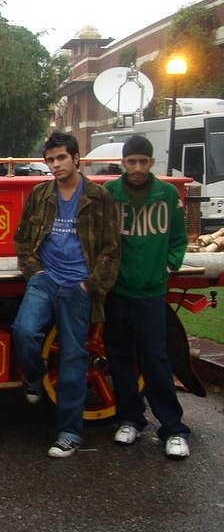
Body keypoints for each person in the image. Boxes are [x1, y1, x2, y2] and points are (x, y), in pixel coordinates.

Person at [11, 131, 119, 458]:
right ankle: (34, 378)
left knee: (74, 357)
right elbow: (23, 239)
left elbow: (112, 249)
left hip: (78, 285)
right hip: (45, 279)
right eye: (50, 160)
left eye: (61, 158)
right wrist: (36, 271)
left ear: (76, 158)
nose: (55, 165)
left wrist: (89, 285)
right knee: (24, 330)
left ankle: (70, 433)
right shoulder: (40, 194)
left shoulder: (99, 197)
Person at [102, 135, 191, 459]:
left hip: (152, 291)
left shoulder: (167, 194)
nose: (137, 168)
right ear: (123, 163)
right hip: (119, 289)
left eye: (142, 161)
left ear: (152, 163)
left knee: (155, 358)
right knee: (120, 357)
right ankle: (130, 418)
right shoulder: (110, 193)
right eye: (131, 162)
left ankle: (174, 428)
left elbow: (178, 238)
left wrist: (171, 263)